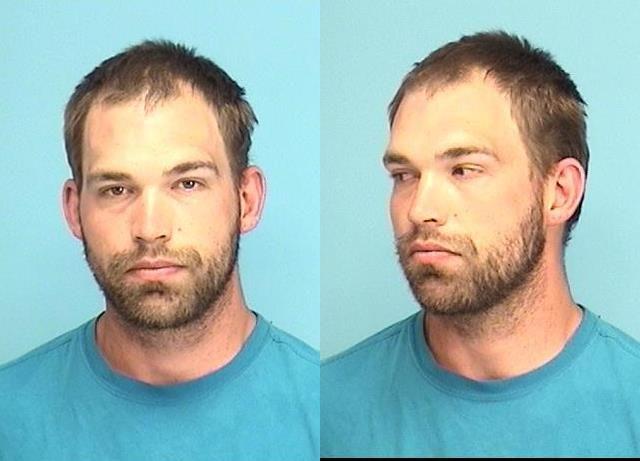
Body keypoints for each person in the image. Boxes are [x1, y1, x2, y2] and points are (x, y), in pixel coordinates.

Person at [321, 31, 640, 457]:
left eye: (464, 170)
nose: (420, 210)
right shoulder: (328, 413)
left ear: (559, 192)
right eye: (404, 175)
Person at [0, 40, 318, 460]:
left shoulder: (326, 412)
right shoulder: (9, 421)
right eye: (116, 189)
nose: (150, 230)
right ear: (74, 211)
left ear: (248, 200)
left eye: (187, 184)